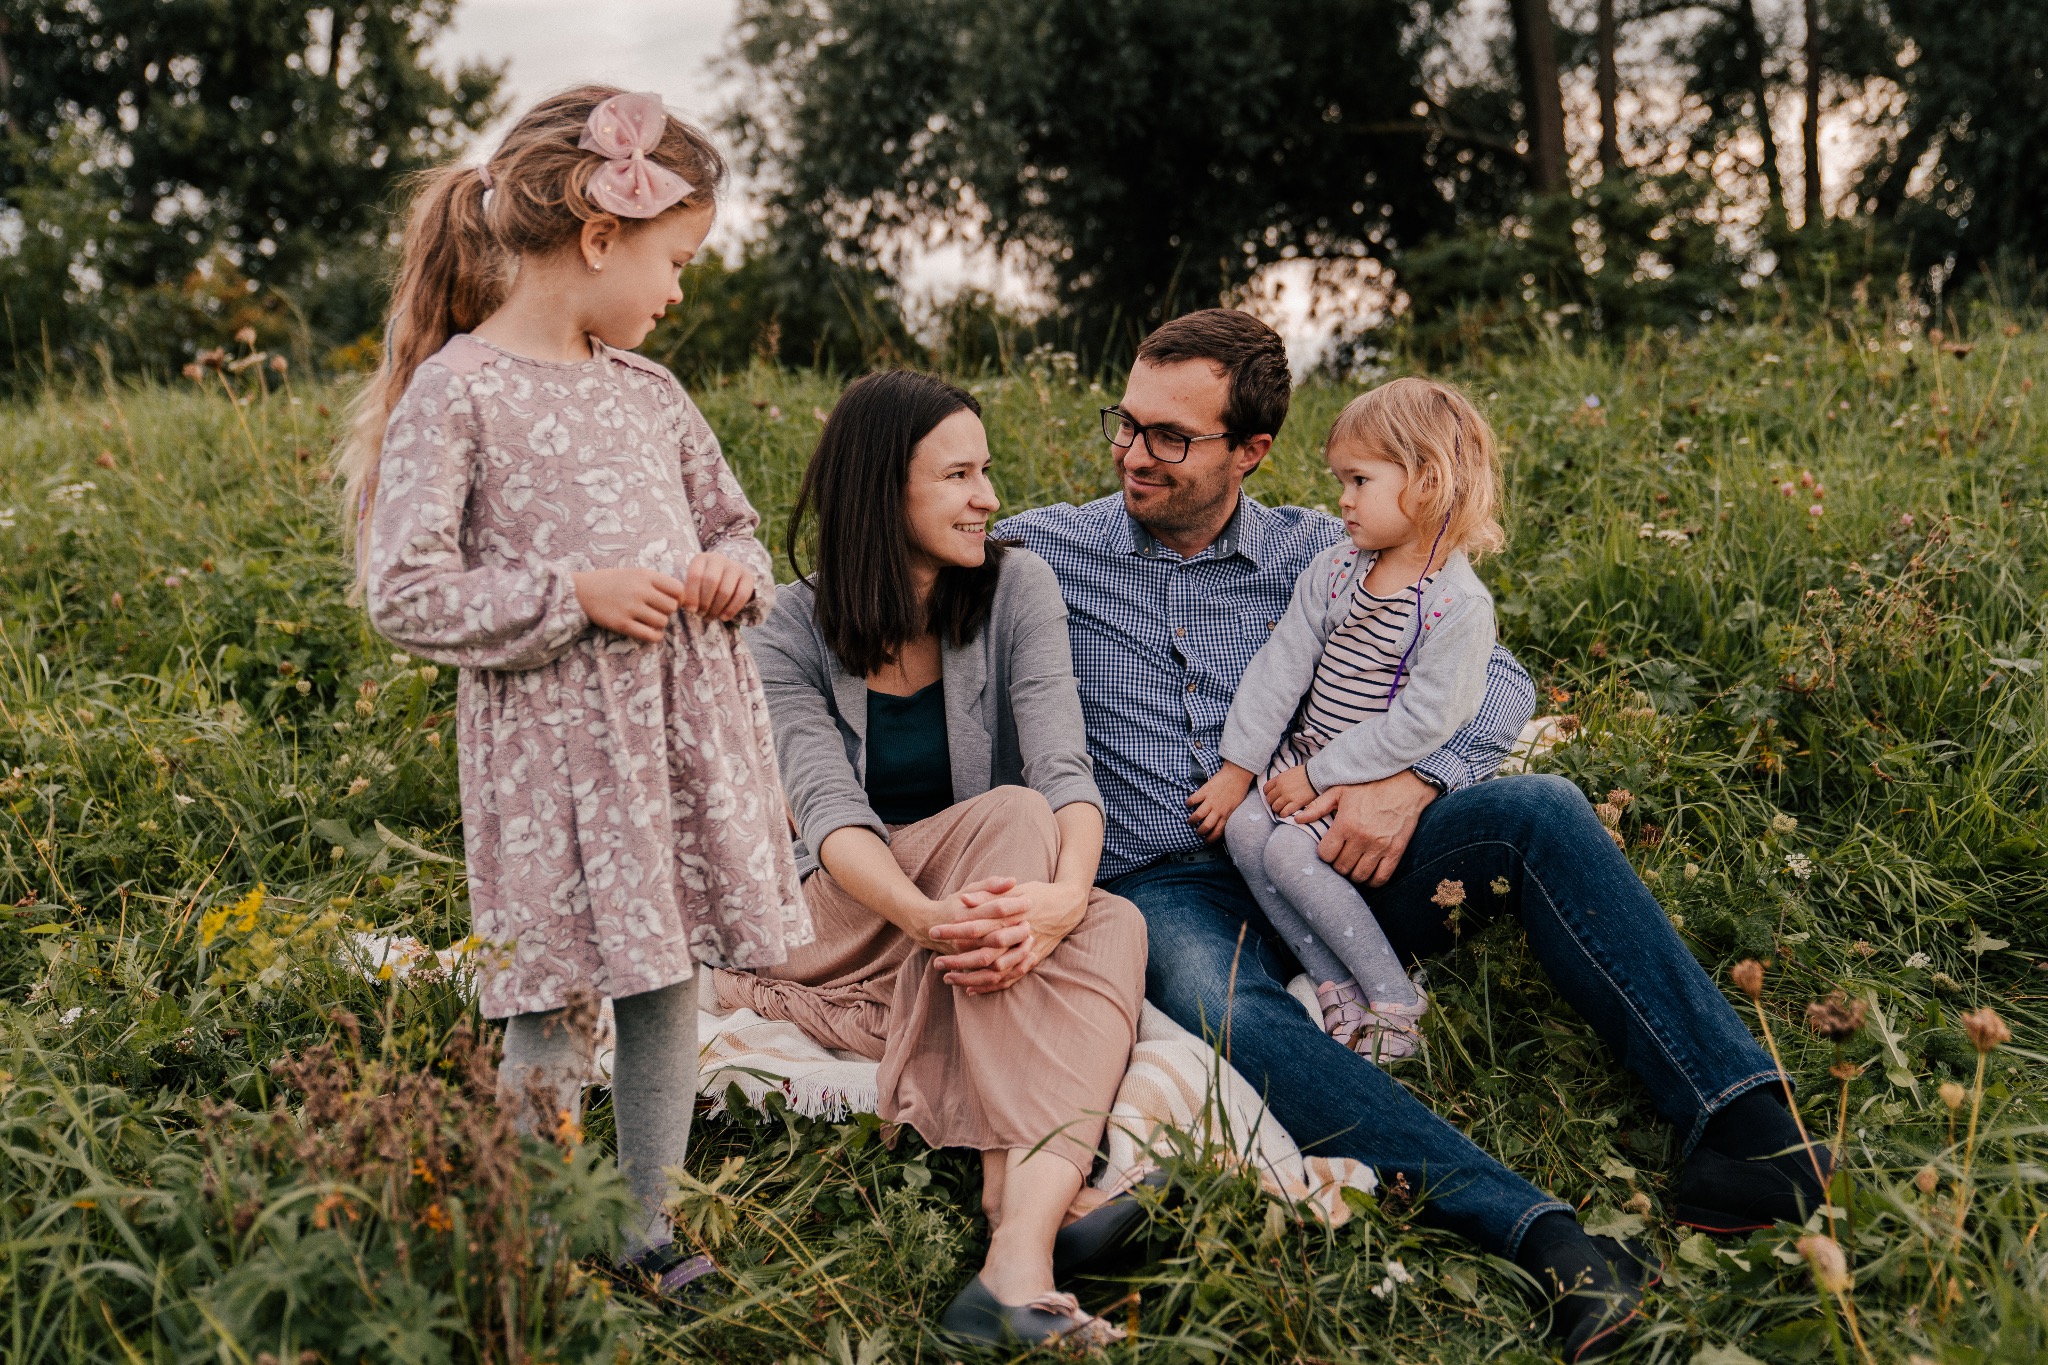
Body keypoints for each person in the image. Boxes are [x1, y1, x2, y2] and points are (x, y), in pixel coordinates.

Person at [998, 308, 1832, 1363]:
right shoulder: (1045, 548)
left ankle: (1747, 1128)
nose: (1131, 452)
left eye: (1170, 436)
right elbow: (879, 575)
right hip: (1167, 882)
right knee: (1225, 1004)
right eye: (1124, 422)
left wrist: (1409, 783)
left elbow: (1500, 683)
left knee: (1540, 808)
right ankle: (1541, 1237)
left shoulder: (1327, 545)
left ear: (1251, 450)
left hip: (1338, 848)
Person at [341, 87, 811, 1298]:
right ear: (601, 235)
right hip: (551, 762)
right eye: (677, 261)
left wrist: (732, 572)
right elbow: (404, 593)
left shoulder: (650, 392)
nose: (680, 291)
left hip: (676, 745)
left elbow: (738, 531)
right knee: (550, 996)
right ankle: (532, 1243)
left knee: (667, 978)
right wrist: (574, 595)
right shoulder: (460, 390)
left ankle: (644, 1226)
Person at [722, 370, 1146, 1350]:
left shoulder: (1015, 586)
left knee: (1112, 919)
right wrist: (929, 920)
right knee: (1011, 816)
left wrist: (1062, 901)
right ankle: (1035, 1214)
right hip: (840, 907)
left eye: (985, 471)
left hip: (977, 902)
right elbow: (828, 816)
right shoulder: (785, 625)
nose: (988, 497)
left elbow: (1065, 769)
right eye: (958, 475)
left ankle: (1014, 1243)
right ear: (883, 489)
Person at [1191, 378, 1502, 1064]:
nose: (1344, 499)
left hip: (1368, 777)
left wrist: (1322, 775)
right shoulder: (1337, 569)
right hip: (1307, 756)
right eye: (1342, 481)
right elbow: (1281, 667)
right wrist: (1241, 768)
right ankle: (1336, 983)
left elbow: (1425, 722)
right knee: (1245, 827)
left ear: (1428, 480)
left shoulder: (1454, 605)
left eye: (1360, 480)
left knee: (1287, 853)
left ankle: (1395, 996)